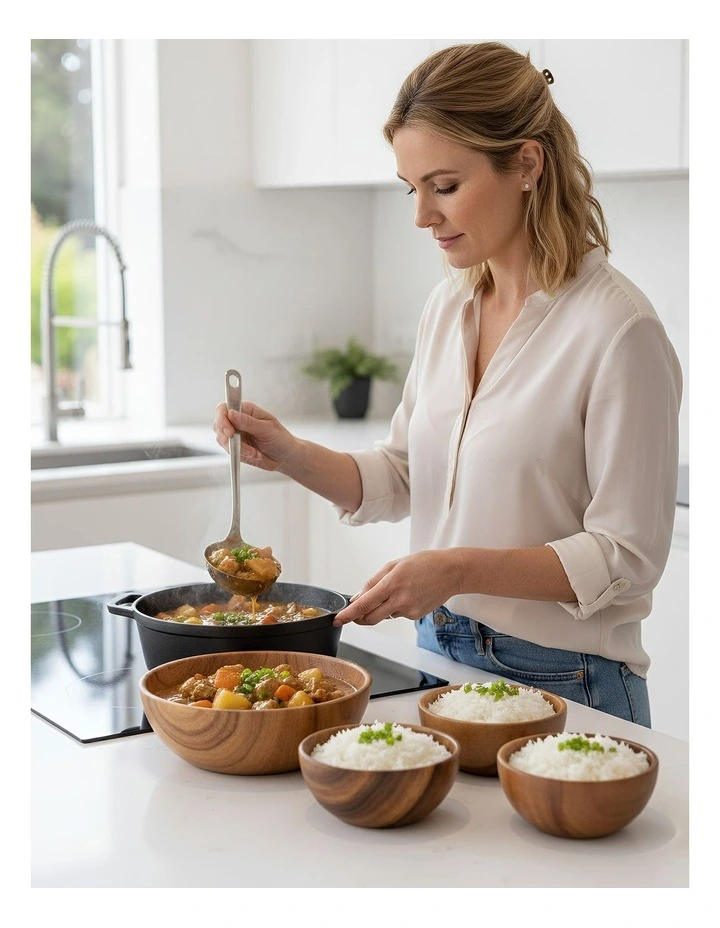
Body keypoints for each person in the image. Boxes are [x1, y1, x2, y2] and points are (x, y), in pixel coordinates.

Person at [212, 42, 682, 727]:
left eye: (445, 185)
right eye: (412, 188)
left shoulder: (619, 329)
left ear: (526, 163)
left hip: (567, 681)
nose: (421, 215)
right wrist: (289, 453)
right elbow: (405, 474)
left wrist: (457, 570)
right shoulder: (450, 308)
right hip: (440, 653)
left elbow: (627, 557)